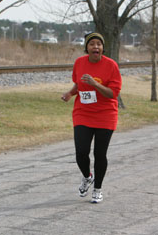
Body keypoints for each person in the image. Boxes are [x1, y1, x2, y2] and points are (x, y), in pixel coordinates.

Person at [61, 32, 122, 203]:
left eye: (99, 44)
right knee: (81, 152)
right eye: (92, 44)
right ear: (87, 47)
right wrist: (70, 93)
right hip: (83, 112)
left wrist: (95, 84)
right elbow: (78, 84)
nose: (96, 47)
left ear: (103, 48)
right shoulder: (80, 63)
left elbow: (113, 93)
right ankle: (88, 177)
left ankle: (97, 188)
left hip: (105, 114)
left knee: (99, 154)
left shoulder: (111, 66)